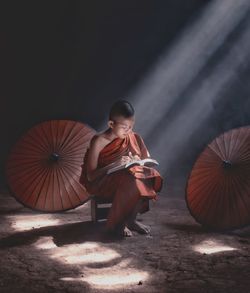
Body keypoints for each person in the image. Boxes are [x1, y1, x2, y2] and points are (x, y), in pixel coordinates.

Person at [80, 100, 163, 237]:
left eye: (131, 126)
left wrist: (136, 160)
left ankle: (131, 220)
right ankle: (119, 223)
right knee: (131, 179)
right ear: (111, 124)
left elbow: (143, 157)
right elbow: (91, 176)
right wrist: (115, 164)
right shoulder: (98, 141)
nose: (129, 131)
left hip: (125, 176)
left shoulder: (132, 137)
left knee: (148, 175)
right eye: (125, 127)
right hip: (102, 182)